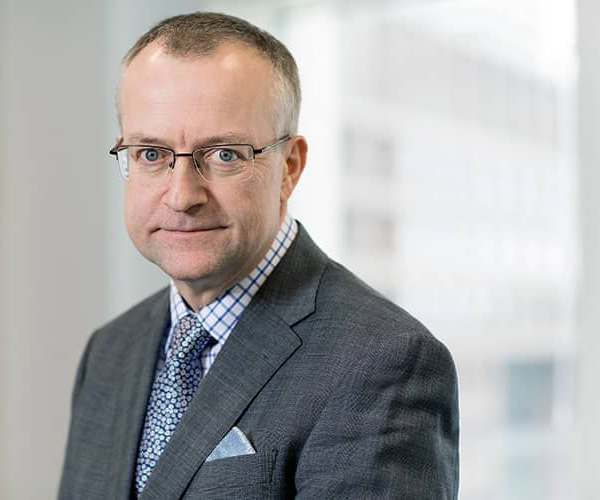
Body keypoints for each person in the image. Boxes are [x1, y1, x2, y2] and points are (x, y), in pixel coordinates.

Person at [58, 12, 458, 499]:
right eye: (151, 154)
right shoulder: (110, 352)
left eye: (225, 154)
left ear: (289, 167)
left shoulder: (384, 361)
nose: (182, 195)